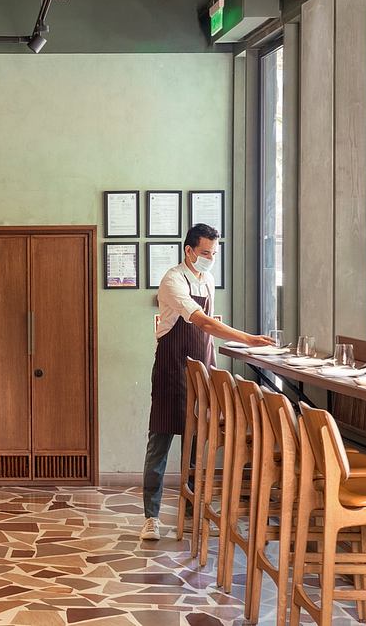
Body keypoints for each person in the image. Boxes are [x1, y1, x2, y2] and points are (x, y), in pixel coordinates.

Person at [139, 223, 274, 541]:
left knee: (197, 447)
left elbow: (210, 327)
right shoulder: (172, 280)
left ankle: (191, 515)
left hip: (203, 372)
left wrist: (239, 345)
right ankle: (151, 518)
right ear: (188, 250)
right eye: (204, 253)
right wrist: (247, 338)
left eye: (213, 253)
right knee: (159, 444)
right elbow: (199, 320)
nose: (209, 258)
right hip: (171, 371)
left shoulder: (209, 279)